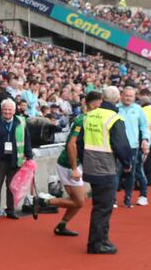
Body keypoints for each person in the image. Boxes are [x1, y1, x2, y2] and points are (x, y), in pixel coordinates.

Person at [37, 91, 103, 236]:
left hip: (76, 163)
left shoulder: (87, 118)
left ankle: (62, 225)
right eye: (100, 104)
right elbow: (71, 145)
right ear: (94, 104)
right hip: (68, 163)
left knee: (79, 199)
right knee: (79, 201)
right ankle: (43, 202)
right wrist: (74, 168)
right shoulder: (82, 120)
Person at [79, 86, 131, 254]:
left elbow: (79, 143)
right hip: (106, 167)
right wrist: (127, 162)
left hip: (91, 166)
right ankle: (97, 243)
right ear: (117, 99)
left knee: (99, 205)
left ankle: (100, 239)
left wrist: (84, 160)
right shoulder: (114, 118)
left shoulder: (89, 116)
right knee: (103, 207)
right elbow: (121, 145)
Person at [0, 98, 33, 219]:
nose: (7, 112)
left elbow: (27, 140)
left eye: (9, 110)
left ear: (14, 110)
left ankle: (11, 210)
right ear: (1, 110)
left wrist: (29, 156)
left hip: (14, 160)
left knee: (12, 187)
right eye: (5, 110)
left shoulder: (22, 122)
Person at [116, 87, 149, 207]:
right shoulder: (116, 108)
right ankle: (113, 199)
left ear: (135, 97)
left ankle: (128, 200)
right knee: (116, 173)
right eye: (126, 95)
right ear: (121, 95)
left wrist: (145, 140)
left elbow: (144, 127)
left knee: (133, 172)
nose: (128, 98)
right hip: (117, 146)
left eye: (131, 96)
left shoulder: (138, 109)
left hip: (133, 146)